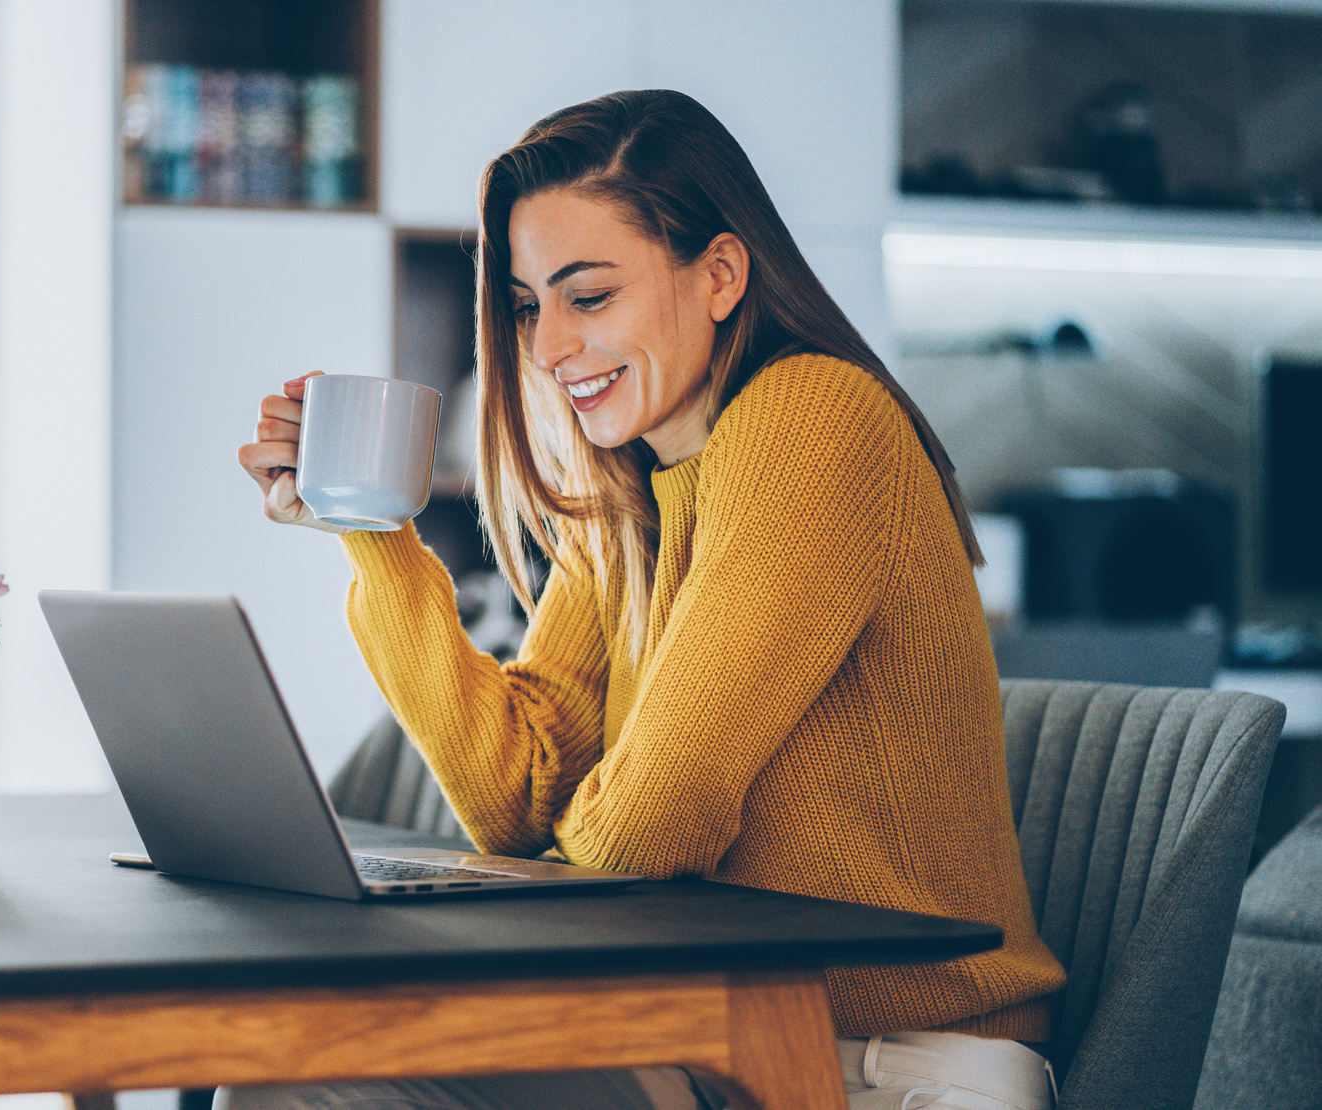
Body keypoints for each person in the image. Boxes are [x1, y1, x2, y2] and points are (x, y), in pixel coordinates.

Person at [233, 90, 1066, 1110]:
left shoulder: (813, 416)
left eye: (588, 297)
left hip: (893, 1064)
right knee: (293, 1075)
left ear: (719, 274)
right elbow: (514, 800)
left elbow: (650, 828)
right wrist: (373, 535)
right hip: (711, 1030)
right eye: (532, 305)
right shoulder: (625, 494)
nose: (544, 349)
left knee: (306, 1088)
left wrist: (572, 840)